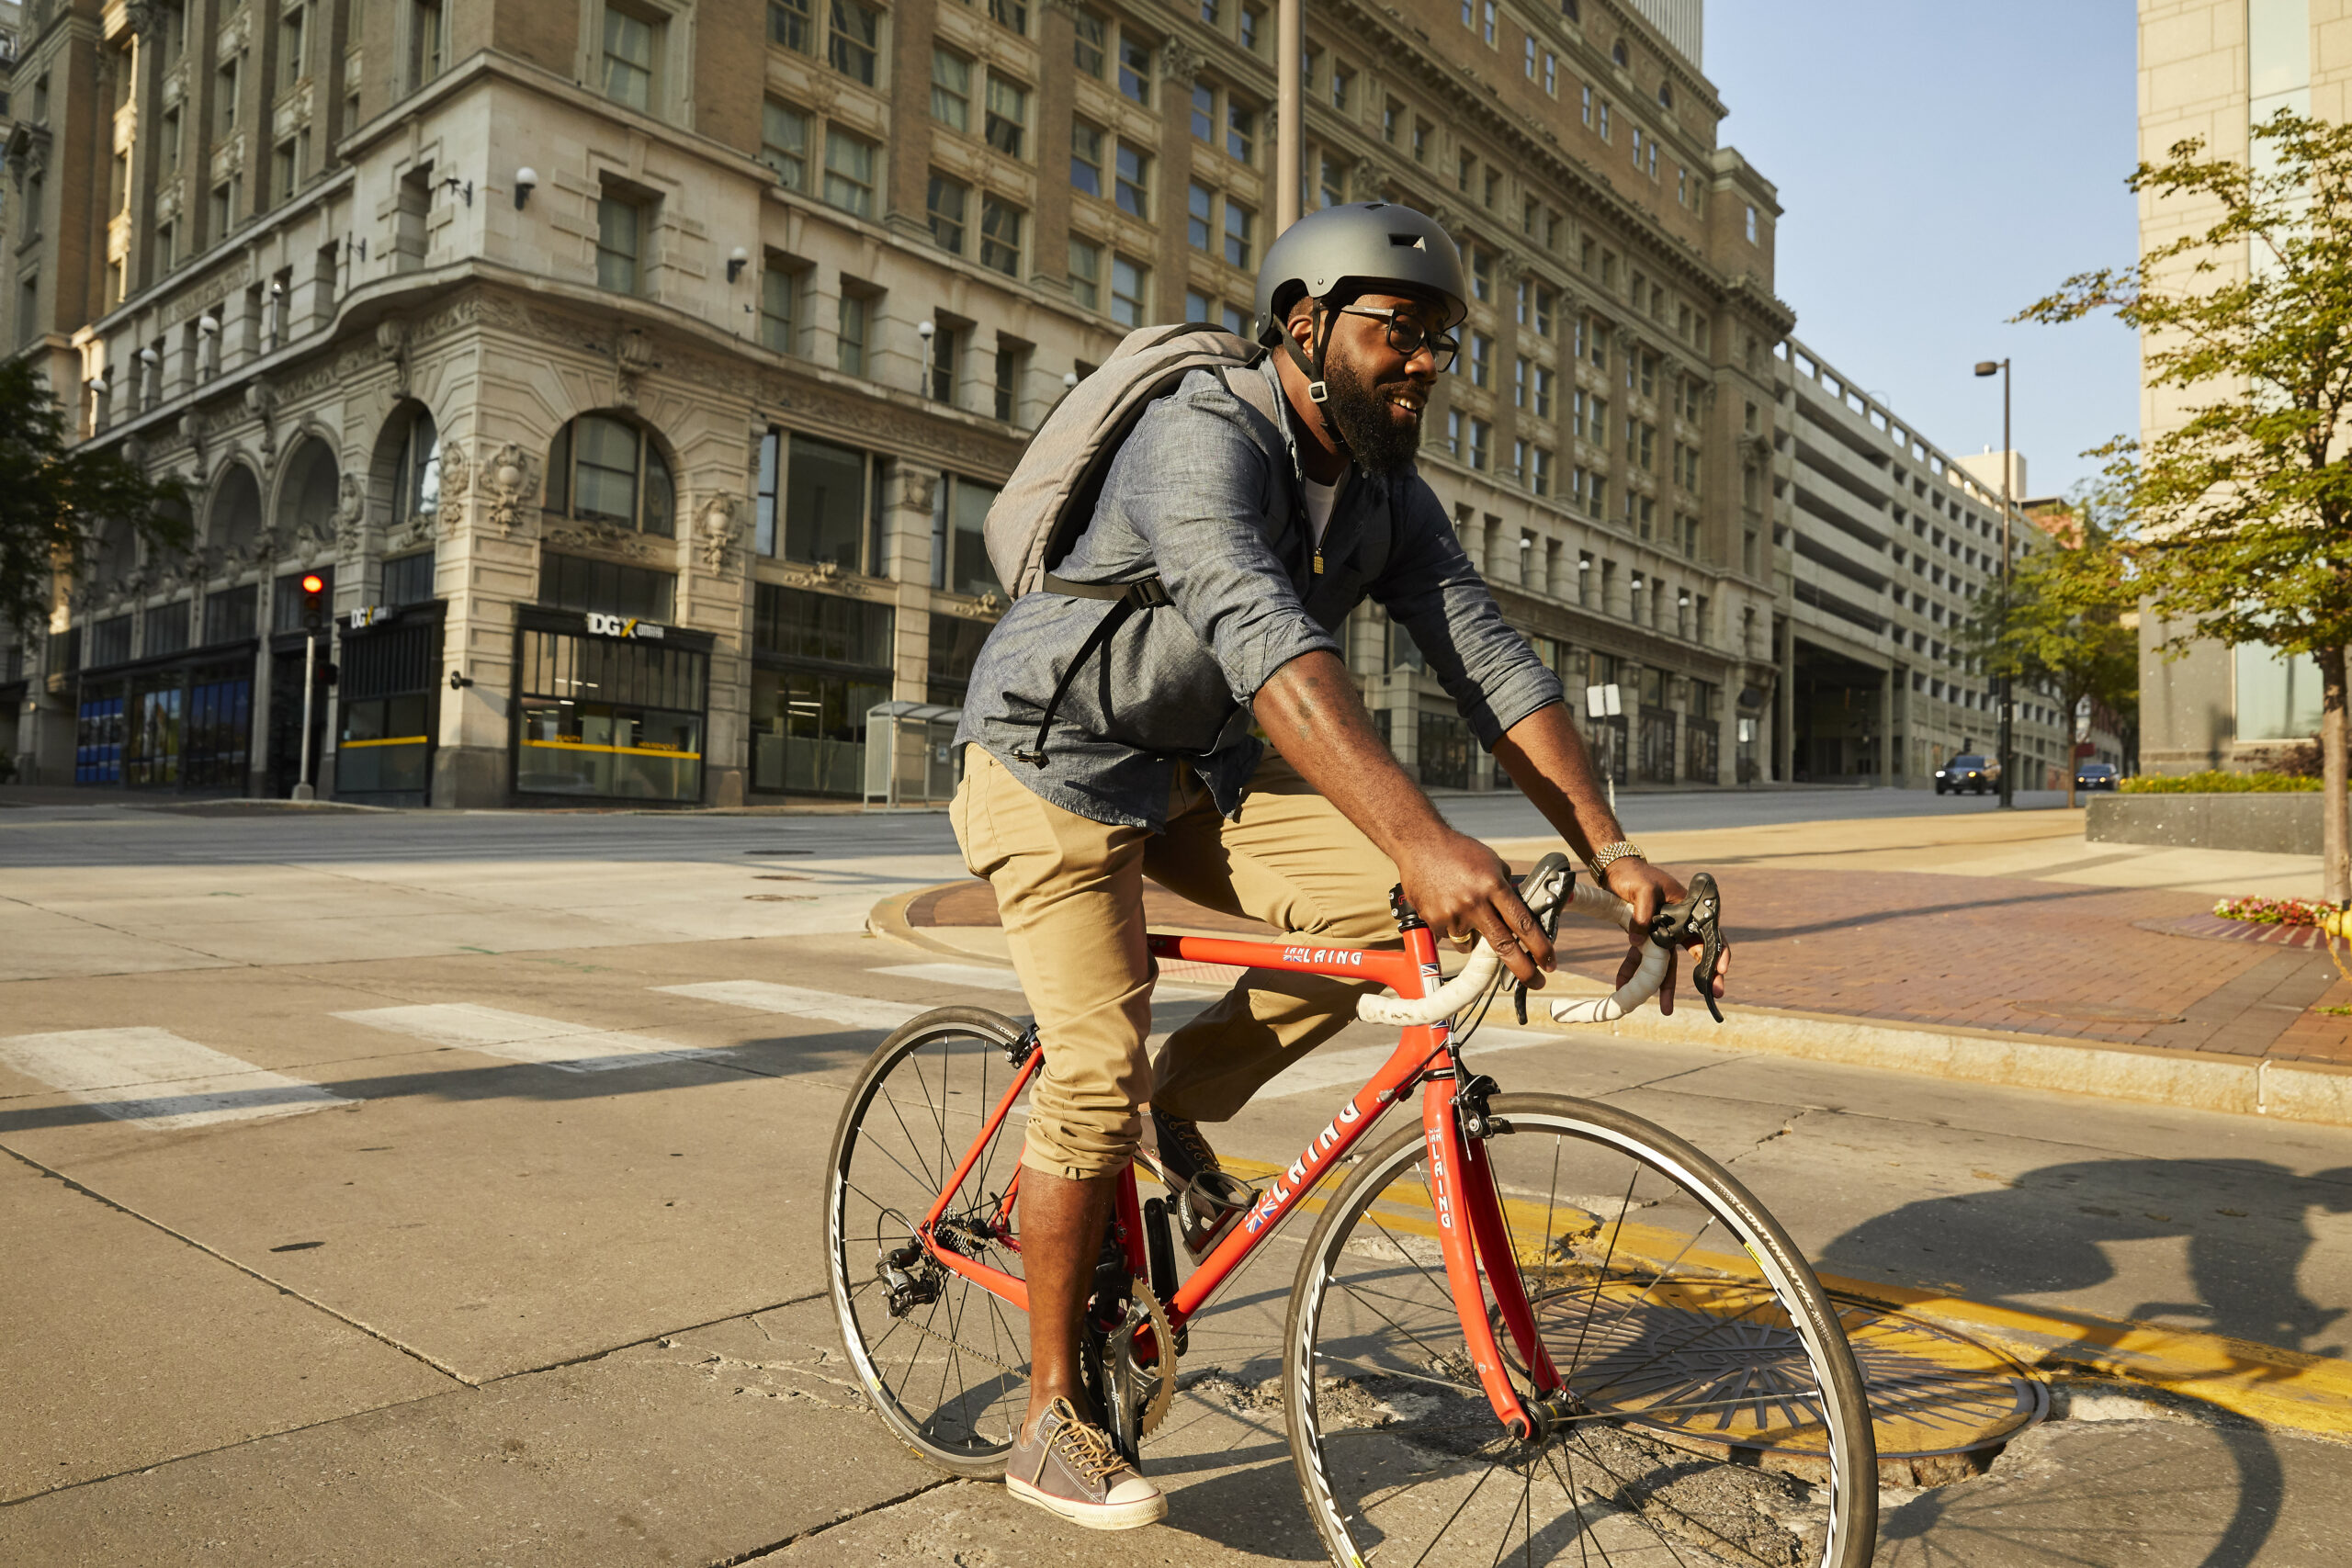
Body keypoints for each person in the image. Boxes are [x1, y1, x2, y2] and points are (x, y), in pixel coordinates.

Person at [948, 201, 1730, 1532]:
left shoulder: (1387, 498)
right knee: (1089, 1067)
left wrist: (1610, 849)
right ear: (1304, 327)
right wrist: (1422, 835)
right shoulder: (1199, 431)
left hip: (1191, 775)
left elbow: (1487, 660)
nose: (1427, 363)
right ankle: (1047, 1419)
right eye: (1399, 332)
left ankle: (1180, 1101)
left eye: (1443, 342)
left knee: (1398, 925)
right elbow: (1257, 632)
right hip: (1050, 763)